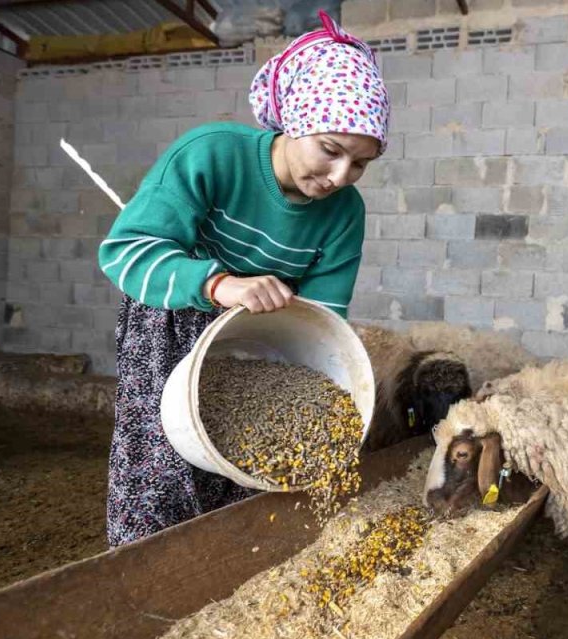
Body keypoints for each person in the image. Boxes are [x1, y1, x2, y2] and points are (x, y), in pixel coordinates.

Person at [96, 12, 390, 547]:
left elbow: (322, 325)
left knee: (253, 471)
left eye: (360, 164)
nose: (340, 177)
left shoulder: (345, 213)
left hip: (262, 347)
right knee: (163, 467)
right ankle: (145, 575)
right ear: (295, 120)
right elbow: (125, 253)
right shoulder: (212, 154)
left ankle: (230, 573)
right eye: (330, 149)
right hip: (170, 323)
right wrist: (218, 284)